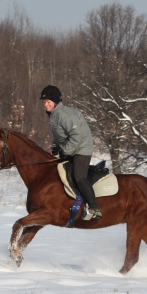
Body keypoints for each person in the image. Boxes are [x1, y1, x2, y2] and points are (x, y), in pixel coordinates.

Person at [40, 85, 102, 220]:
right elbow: (58, 135)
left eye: (48, 102)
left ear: (56, 102)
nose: (45, 105)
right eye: (44, 102)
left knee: (79, 177)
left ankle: (94, 207)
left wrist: (65, 151)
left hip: (82, 148)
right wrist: (55, 146)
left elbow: (76, 137)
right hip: (71, 147)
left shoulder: (66, 115)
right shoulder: (53, 116)